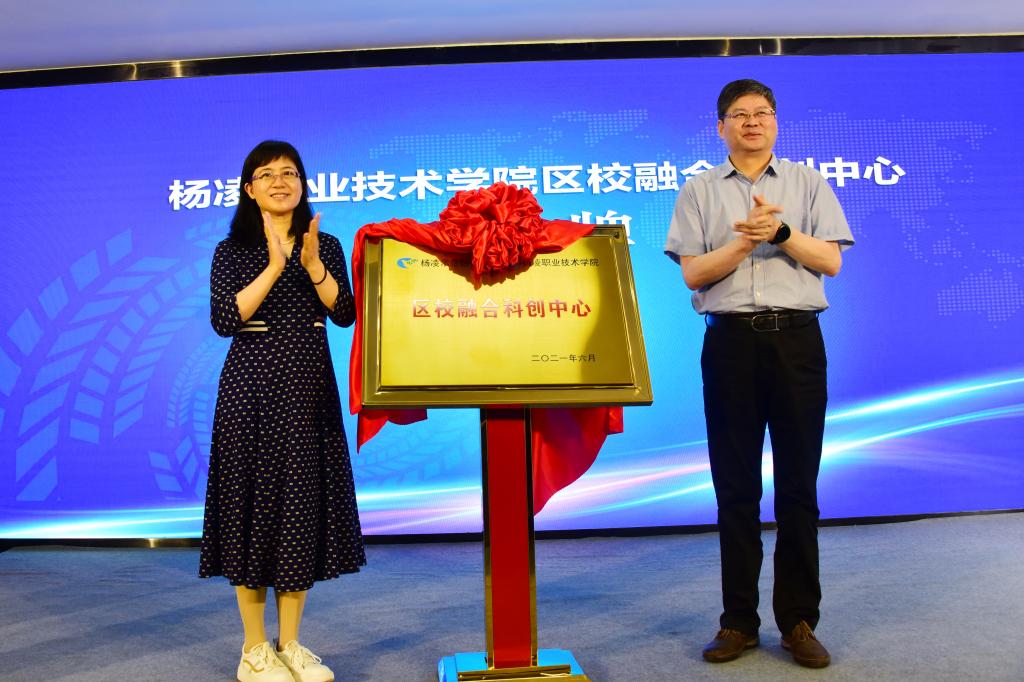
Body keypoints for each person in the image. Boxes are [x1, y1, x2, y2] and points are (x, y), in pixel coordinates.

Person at [663, 79, 853, 669]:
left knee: (799, 488)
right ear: (720, 126)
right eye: (740, 114)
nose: (753, 122)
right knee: (736, 489)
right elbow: (694, 274)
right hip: (731, 345)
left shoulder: (808, 183)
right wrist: (746, 245)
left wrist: (782, 233)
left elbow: (831, 260)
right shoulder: (699, 190)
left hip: (797, 343)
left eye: (763, 112)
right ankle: (738, 621)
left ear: (776, 122)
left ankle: (798, 621)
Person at [199, 140, 365, 682]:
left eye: (289, 172)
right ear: (250, 189)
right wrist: (274, 266)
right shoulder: (232, 250)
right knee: (251, 510)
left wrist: (312, 266)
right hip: (250, 389)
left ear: (302, 183)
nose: (279, 181)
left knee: (299, 510)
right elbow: (225, 320)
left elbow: (345, 313)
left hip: (309, 389)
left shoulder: (325, 244)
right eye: (267, 174)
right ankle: (253, 649)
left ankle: (290, 643)